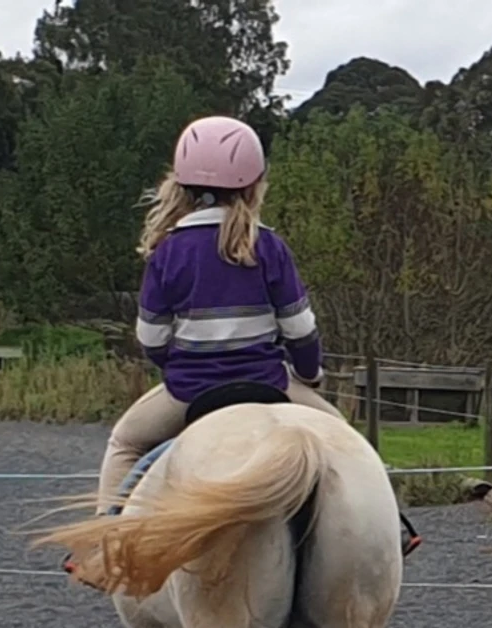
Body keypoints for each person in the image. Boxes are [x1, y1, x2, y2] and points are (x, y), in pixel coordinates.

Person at [61, 116, 346, 579]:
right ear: (254, 186)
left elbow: (151, 338)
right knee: (344, 440)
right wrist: (310, 375)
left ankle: (103, 550)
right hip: (268, 383)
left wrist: (177, 368)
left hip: (191, 391)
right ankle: (391, 527)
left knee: (125, 443)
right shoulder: (269, 245)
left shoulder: (167, 251)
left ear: (184, 186)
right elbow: (300, 329)